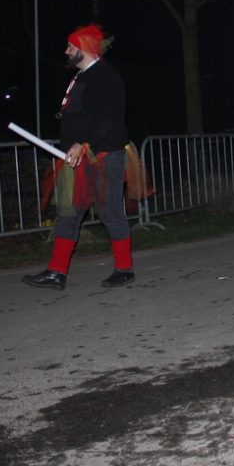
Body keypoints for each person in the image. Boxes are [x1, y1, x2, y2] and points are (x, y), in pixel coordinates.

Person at [22, 25, 147, 290]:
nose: (66, 51)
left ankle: (124, 269)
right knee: (68, 211)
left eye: (71, 46)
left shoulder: (106, 76)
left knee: (109, 210)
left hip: (104, 155)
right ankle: (56, 272)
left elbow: (108, 118)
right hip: (78, 157)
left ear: (85, 48)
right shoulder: (81, 76)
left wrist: (83, 142)